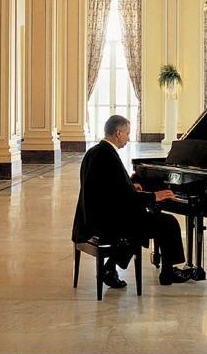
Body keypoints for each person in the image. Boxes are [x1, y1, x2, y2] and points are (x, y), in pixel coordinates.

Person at [71, 114, 190, 288]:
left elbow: (109, 188)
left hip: (92, 216)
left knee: (141, 222)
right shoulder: (108, 155)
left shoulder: (95, 152)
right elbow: (123, 199)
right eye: (127, 133)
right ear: (118, 132)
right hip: (105, 222)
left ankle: (110, 268)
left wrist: (131, 187)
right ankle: (168, 273)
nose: (128, 138)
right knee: (168, 222)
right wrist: (154, 196)